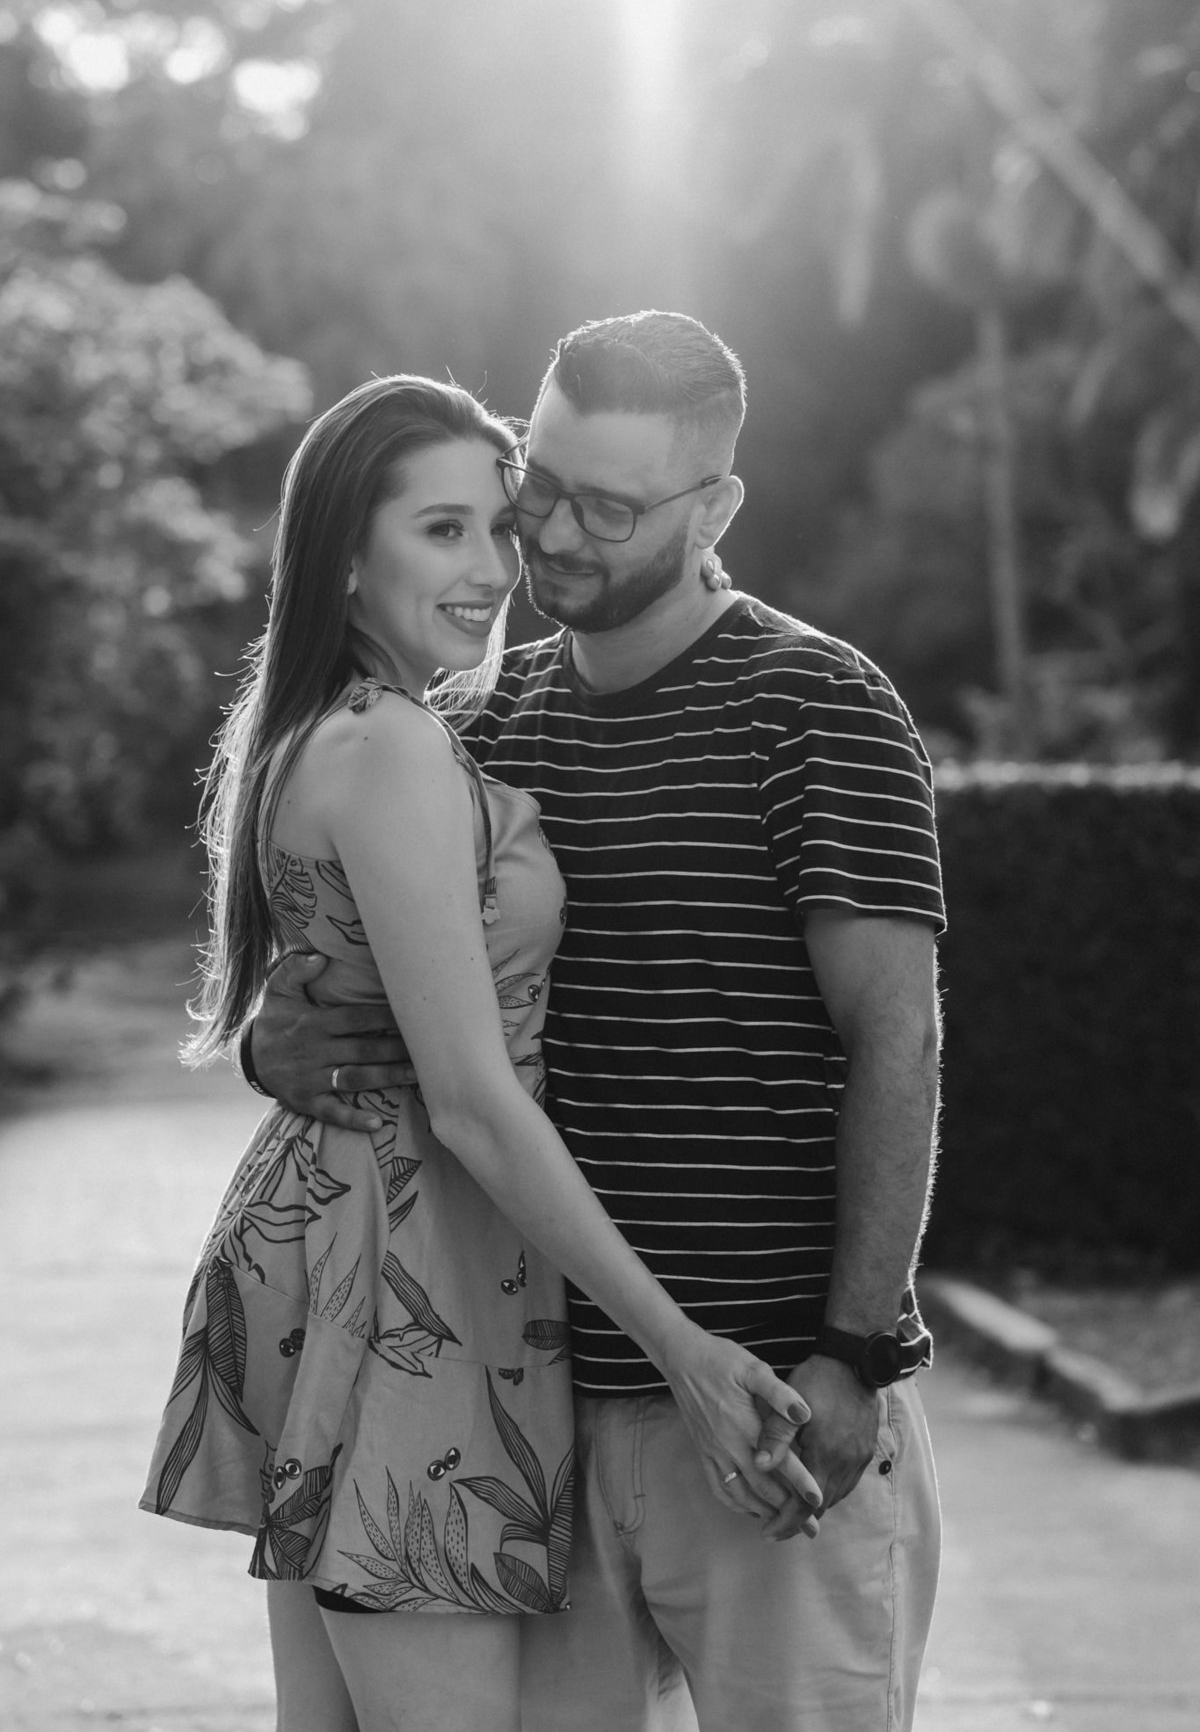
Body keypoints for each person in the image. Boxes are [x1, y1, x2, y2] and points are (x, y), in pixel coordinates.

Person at [247, 314, 945, 1732]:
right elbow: (383, 994)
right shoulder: (474, 727)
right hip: (535, 1408)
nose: (548, 538)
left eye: (607, 509)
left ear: (717, 510)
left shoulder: (818, 705)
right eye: (535, 486)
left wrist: (853, 1352)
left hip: (766, 1407)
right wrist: (280, 1039)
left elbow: (900, 1042)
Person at [139, 373, 820, 1732]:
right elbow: (473, 1106)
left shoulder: (368, 728)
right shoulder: (390, 745)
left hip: (362, 1247)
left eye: (498, 529)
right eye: (442, 531)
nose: (494, 569)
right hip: (411, 1279)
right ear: (345, 557)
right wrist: (682, 1343)